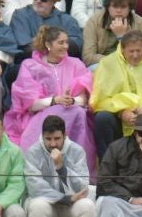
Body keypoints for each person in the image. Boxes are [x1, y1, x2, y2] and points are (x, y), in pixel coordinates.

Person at [6, 23, 92, 160]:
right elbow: (30, 105)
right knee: (75, 112)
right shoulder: (30, 66)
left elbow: (84, 98)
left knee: (79, 112)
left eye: (66, 42)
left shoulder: (76, 64)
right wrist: (55, 100)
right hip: (40, 114)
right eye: (61, 43)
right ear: (48, 44)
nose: (66, 46)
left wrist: (72, 100)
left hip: (73, 111)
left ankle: (76, 165)